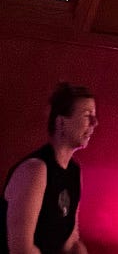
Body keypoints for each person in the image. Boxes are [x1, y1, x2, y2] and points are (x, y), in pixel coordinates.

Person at [2, 82, 96, 254]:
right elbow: (21, 249)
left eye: (94, 116)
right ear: (61, 123)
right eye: (86, 115)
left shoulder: (74, 172)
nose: (94, 123)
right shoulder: (34, 170)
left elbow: (71, 241)